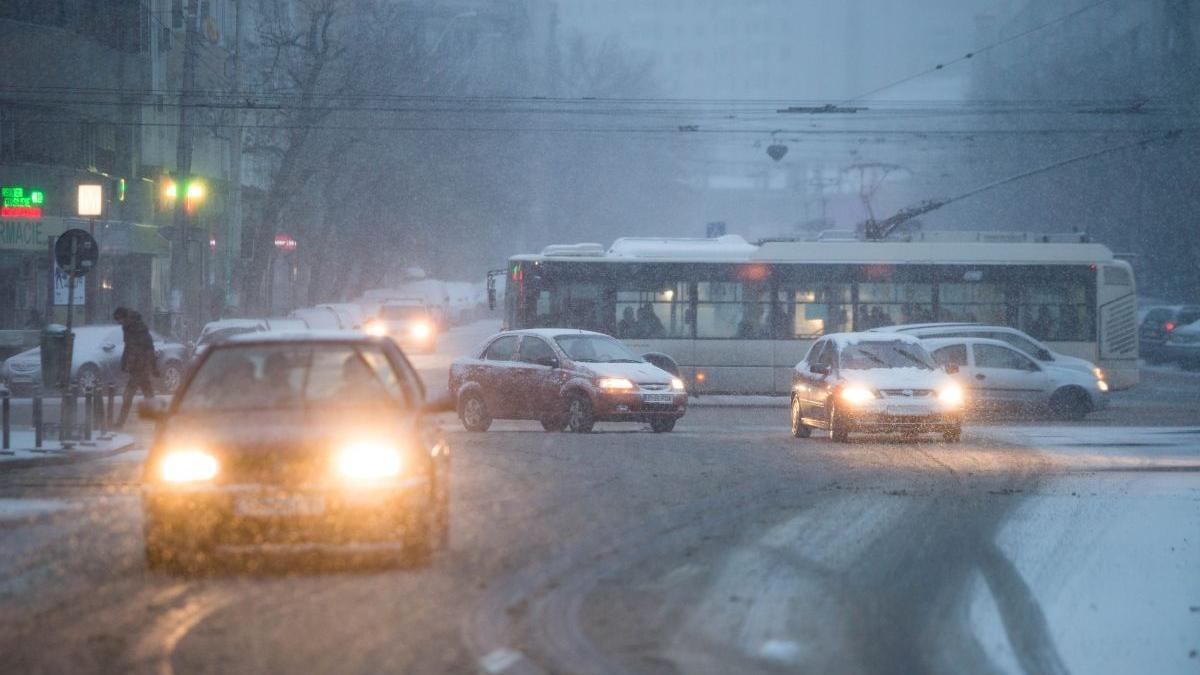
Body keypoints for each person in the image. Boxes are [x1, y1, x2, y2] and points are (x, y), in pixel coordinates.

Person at [114, 307, 159, 428]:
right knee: (148, 395)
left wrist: (152, 366)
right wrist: (125, 362)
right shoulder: (130, 328)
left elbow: (146, 348)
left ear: (123, 318)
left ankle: (120, 423)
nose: (119, 323)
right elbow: (129, 348)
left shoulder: (136, 329)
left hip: (140, 367)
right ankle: (159, 422)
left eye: (119, 320)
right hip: (140, 367)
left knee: (128, 395)